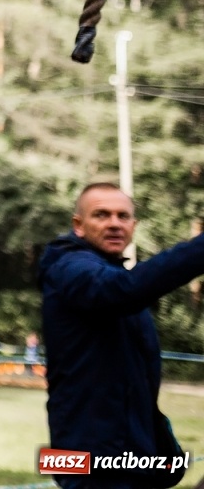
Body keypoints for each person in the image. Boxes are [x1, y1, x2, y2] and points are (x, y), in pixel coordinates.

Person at [38, 182, 204, 485]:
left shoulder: (117, 278)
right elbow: (123, 291)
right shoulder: (69, 267)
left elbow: (131, 382)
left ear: (134, 225)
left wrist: (158, 444)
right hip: (88, 456)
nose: (114, 224)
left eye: (123, 216)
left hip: (125, 452)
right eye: (101, 215)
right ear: (79, 225)